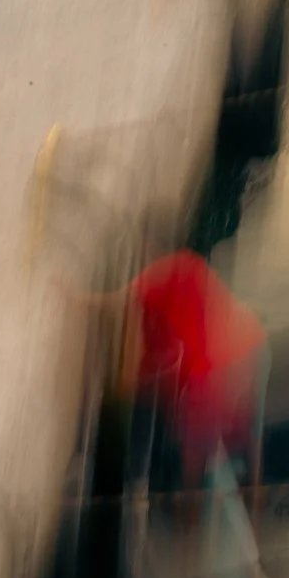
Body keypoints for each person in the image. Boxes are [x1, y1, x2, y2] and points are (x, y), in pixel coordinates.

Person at [53, 202, 269, 494]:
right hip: (251, 345)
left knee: (194, 448)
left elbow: (115, 302)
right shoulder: (192, 262)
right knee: (245, 431)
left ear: (150, 245)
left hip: (212, 366)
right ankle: (256, 497)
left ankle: (188, 521)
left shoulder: (159, 275)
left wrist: (71, 296)